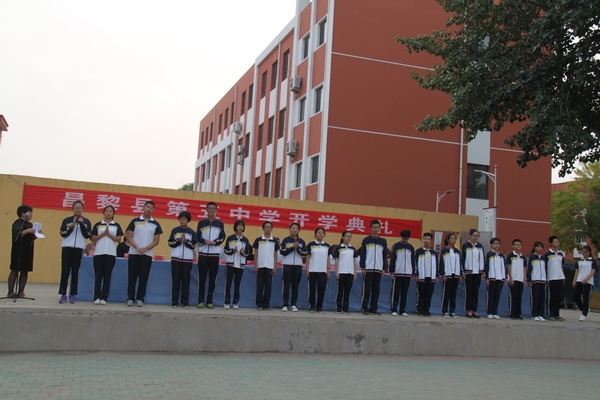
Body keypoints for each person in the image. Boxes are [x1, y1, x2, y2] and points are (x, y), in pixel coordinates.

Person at [125, 201, 163, 307]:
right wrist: (137, 247)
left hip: (147, 254)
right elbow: (129, 236)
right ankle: (130, 298)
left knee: (143, 277)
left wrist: (145, 248)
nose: (149, 209)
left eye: (151, 208)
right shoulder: (135, 221)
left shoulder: (155, 224)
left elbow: (156, 240)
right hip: (134, 253)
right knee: (132, 276)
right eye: (147, 207)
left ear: (153, 210)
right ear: (143, 207)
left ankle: (140, 299)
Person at [58, 200, 92, 304]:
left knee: (75, 272)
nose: (78, 210)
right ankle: (63, 294)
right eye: (76, 208)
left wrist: (81, 224)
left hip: (78, 249)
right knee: (65, 272)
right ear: (72, 209)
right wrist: (72, 226)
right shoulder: (67, 220)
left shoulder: (86, 221)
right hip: (67, 248)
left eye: (80, 208)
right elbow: (63, 233)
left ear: (83, 209)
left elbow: (88, 235)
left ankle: (72, 294)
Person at [90, 205, 123, 305]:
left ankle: (104, 297)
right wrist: (103, 234)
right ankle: (96, 297)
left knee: (107, 276)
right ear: (104, 213)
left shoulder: (116, 225)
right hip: (99, 253)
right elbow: (93, 238)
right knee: (98, 276)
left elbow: (119, 239)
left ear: (113, 213)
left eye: (110, 211)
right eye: (107, 211)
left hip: (110, 253)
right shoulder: (98, 224)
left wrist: (109, 235)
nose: (108, 213)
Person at [196, 202, 226, 309]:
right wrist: (204, 241)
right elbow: (197, 237)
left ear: (216, 210)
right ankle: (200, 301)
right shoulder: (201, 223)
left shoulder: (220, 224)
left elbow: (222, 237)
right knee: (202, 278)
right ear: (206, 210)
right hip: (203, 254)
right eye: (209, 208)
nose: (211, 210)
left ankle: (209, 301)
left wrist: (215, 242)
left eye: (213, 208)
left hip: (214, 255)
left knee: (212, 279)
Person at [167, 211, 197, 308]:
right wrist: (179, 240)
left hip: (187, 260)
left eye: (184, 219)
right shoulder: (175, 230)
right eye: (181, 219)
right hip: (176, 258)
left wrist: (186, 241)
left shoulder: (191, 232)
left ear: (188, 220)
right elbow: (170, 243)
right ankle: (174, 301)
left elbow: (194, 245)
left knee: (186, 280)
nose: (182, 221)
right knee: (175, 280)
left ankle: (185, 301)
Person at [8, 205, 38, 298]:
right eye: (29, 212)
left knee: (25, 271)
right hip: (18, 250)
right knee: (15, 270)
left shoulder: (30, 224)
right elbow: (16, 235)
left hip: (27, 250)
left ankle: (21, 291)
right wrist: (27, 231)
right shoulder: (17, 223)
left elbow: (31, 237)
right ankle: (10, 292)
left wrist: (37, 234)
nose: (31, 214)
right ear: (23, 214)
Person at [360, 220, 388, 315]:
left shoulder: (382, 241)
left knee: (376, 290)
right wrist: (363, 267)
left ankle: (373, 308)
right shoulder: (366, 240)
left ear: (380, 228)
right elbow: (363, 254)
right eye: (374, 227)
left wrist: (384, 268)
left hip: (378, 269)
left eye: (377, 227)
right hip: (368, 268)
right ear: (371, 228)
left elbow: (384, 256)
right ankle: (364, 307)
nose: (376, 229)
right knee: (367, 289)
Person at [223, 219, 252, 309]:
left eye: (242, 226)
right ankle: (227, 302)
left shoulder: (245, 240)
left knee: (237, 284)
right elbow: (226, 250)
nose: (240, 228)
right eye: (238, 226)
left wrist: (243, 252)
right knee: (228, 283)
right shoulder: (230, 238)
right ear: (235, 227)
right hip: (231, 264)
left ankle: (235, 302)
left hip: (240, 265)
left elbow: (248, 253)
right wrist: (233, 250)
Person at [279, 222, 308, 312]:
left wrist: (298, 248)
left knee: (295, 286)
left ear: (299, 230)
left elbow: (305, 252)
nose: (294, 230)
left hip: (298, 266)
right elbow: (282, 251)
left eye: (296, 228)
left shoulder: (302, 241)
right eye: (293, 228)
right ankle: (285, 304)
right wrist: (292, 248)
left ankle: (294, 304)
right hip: (287, 265)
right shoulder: (285, 240)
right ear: (290, 229)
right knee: (286, 285)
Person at [252, 221, 279, 310]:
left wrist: (275, 266)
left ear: (272, 229)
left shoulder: (274, 241)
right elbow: (256, 253)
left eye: (269, 227)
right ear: (263, 228)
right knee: (259, 286)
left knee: (268, 286)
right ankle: (259, 304)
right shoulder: (258, 240)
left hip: (270, 266)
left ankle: (266, 304)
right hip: (260, 265)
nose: (268, 228)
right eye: (266, 227)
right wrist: (256, 265)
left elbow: (275, 254)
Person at [389, 229, 415, 317]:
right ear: (401, 237)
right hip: (397, 273)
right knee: (395, 292)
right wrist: (392, 271)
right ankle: (394, 309)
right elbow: (393, 259)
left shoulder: (410, 247)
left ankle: (402, 310)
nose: (405, 239)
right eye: (404, 238)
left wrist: (412, 272)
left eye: (407, 238)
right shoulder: (396, 246)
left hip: (407, 273)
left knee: (404, 293)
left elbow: (412, 261)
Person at [306, 227, 332, 312]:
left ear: (324, 235)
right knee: (312, 289)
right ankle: (312, 305)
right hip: (312, 270)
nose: (320, 234)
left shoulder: (327, 246)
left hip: (323, 271)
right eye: (318, 233)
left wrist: (328, 270)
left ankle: (319, 306)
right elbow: (308, 258)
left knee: (322, 288)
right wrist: (307, 269)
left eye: (322, 233)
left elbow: (328, 259)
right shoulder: (311, 244)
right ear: (315, 234)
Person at [332, 230, 358, 314]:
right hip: (341, 272)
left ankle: (345, 307)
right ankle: (339, 307)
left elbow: (354, 261)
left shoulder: (352, 249)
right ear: (343, 237)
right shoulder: (339, 248)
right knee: (340, 290)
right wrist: (337, 271)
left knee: (348, 290)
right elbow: (337, 260)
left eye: (350, 236)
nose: (348, 238)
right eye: (347, 236)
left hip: (350, 272)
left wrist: (355, 272)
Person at [462, 228, 485, 318]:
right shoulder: (465, 246)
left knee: (475, 291)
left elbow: (482, 259)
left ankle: (475, 310)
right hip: (468, 272)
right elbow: (462, 259)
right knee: (469, 291)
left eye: (477, 236)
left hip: (477, 272)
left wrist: (482, 271)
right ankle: (469, 310)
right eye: (474, 235)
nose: (476, 237)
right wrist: (463, 271)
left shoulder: (480, 246)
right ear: (470, 236)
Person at [439, 232, 462, 318]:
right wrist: (443, 274)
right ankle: (445, 310)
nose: (453, 240)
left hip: (455, 275)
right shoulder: (444, 251)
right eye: (452, 238)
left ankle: (452, 311)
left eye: (455, 238)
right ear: (448, 240)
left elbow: (460, 263)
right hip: (447, 274)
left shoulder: (457, 251)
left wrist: (460, 274)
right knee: (446, 293)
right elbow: (441, 263)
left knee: (453, 294)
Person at [414, 232, 437, 317]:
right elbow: (415, 263)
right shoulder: (418, 251)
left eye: (428, 239)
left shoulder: (433, 252)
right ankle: (420, 310)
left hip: (431, 277)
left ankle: (426, 310)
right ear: (423, 240)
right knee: (421, 294)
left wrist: (436, 276)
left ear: (431, 241)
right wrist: (416, 274)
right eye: (425, 239)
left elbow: (436, 265)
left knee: (429, 294)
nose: (426, 240)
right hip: (421, 276)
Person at [572, 245, 597, 322]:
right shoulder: (579, 261)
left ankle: (584, 314)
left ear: (589, 252)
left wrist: (586, 279)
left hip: (588, 282)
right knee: (575, 296)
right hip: (579, 280)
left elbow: (593, 271)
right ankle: (583, 309)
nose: (584, 253)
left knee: (586, 298)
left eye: (585, 252)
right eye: (583, 252)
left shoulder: (592, 261)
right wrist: (574, 280)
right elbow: (577, 271)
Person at [484, 237, 507, 319]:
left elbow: (504, 267)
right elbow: (486, 266)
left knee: (497, 296)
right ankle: (489, 312)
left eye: (498, 244)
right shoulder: (489, 254)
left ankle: (495, 312)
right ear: (491, 245)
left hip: (500, 278)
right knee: (491, 295)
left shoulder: (501, 256)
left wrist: (504, 278)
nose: (497, 245)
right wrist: (487, 278)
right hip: (492, 278)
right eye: (495, 243)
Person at [545, 236, 566, 321]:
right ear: (551, 243)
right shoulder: (547, 254)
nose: (557, 243)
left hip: (560, 277)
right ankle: (551, 314)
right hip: (551, 277)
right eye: (555, 242)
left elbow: (561, 266)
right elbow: (545, 267)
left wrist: (563, 277)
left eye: (558, 242)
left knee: (559, 296)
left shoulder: (560, 254)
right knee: (552, 297)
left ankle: (557, 314)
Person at [506, 239, 527, 320]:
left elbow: (524, 268)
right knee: (513, 297)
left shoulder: (523, 257)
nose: (518, 246)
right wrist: (510, 278)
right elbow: (509, 266)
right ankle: (512, 313)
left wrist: (524, 279)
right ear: (513, 246)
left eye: (519, 244)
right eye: (516, 244)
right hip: (513, 279)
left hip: (520, 279)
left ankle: (518, 314)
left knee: (519, 297)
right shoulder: (510, 256)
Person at [527, 241, 547, 321]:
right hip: (535, 280)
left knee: (542, 298)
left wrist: (546, 280)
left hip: (543, 280)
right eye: (538, 246)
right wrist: (529, 280)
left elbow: (545, 269)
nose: (539, 248)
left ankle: (541, 314)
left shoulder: (543, 258)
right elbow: (529, 269)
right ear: (534, 248)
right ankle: (534, 314)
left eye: (541, 247)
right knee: (535, 298)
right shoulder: (532, 257)